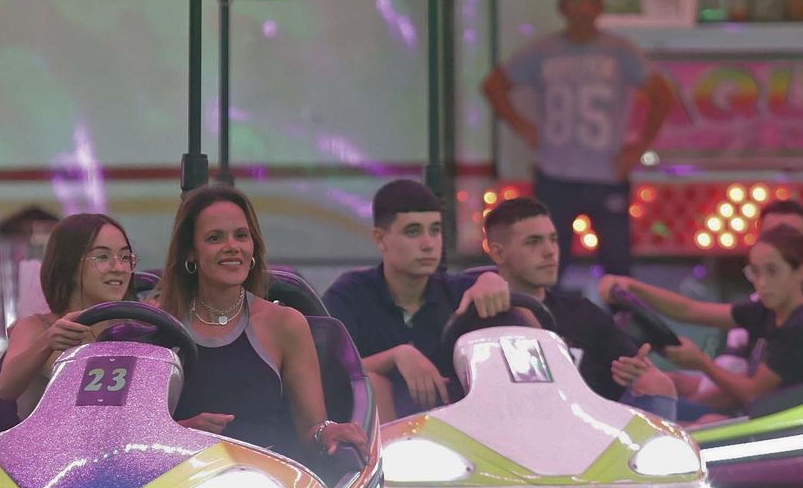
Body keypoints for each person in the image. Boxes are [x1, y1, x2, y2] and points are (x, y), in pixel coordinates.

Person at [156, 184, 367, 461]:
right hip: (174, 481)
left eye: (241, 236)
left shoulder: (286, 324)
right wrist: (183, 432)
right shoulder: (159, 323)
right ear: (190, 252)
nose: (232, 247)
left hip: (265, 486)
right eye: (215, 238)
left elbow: (312, 428)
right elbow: (134, 434)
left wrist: (327, 432)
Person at [481, 0, 675, 275]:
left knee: (617, 267)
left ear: (600, 7)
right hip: (556, 174)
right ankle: (548, 322)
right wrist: (522, 126)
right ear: (562, 7)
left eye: (590, 2)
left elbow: (662, 95)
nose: (583, 9)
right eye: (575, 1)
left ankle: (618, 322)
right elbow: (494, 85)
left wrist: (638, 147)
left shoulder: (620, 51)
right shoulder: (543, 51)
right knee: (548, 265)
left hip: (606, 172)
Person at [604, 225, 803, 420]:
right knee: (661, 389)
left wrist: (702, 362)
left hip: (789, 427)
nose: (762, 284)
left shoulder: (801, 328)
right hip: (759, 415)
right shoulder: (770, 309)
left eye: (772, 271)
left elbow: (752, 394)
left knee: (672, 420)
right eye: (756, 273)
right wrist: (633, 287)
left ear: (800, 271)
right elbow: (690, 309)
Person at [323, 179, 511, 422]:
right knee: (374, 382)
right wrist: (396, 356)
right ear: (380, 239)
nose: (428, 244)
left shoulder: (462, 294)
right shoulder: (349, 294)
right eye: (413, 232)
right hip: (380, 442)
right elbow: (327, 371)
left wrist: (493, 280)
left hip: (462, 434)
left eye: (435, 230)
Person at [481, 197, 677, 420]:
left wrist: (636, 371)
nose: (550, 251)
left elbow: (641, 370)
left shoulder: (582, 313)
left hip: (590, 436)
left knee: (657, 382)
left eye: (553, 240)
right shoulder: (478, 312)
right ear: (498, 253)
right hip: (508, 433)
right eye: (533, 242)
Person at [0, 213, 138, 418]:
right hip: (44, 447)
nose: (119, 268)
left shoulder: (137, 329)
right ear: (69, 264)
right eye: (103, 257)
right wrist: (47, 343)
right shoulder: (36, 328)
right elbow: (5, 389)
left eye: (125, 257)